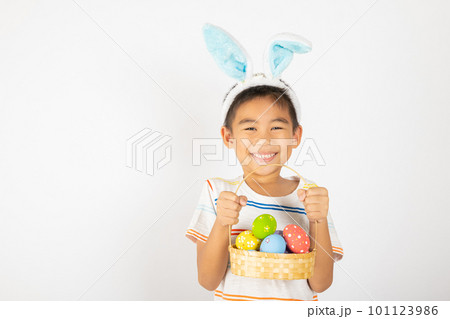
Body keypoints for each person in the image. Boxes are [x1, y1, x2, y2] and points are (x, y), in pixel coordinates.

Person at [185, 24, 344, 301]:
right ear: (228, 137)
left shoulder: (310, 195)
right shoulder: (218, 192)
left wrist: (317, 219)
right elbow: (208, 280)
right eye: (250, 129)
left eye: (277, 128)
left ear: (296, 136)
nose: (263, 140)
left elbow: (320, 283)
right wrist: (223, 223)